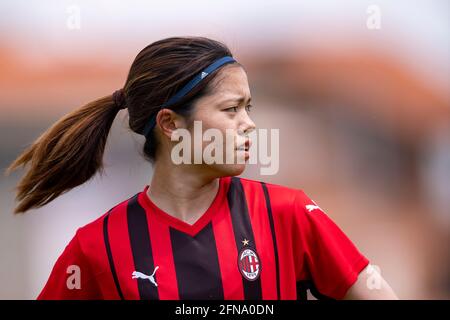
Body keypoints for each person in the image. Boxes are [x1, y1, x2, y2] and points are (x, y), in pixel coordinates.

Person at [6, 36, 398, 300]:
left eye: (249, 107)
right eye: (231, 109)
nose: (249, 124)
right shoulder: (96, 248)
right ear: (170, 124)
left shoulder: (289, 214)